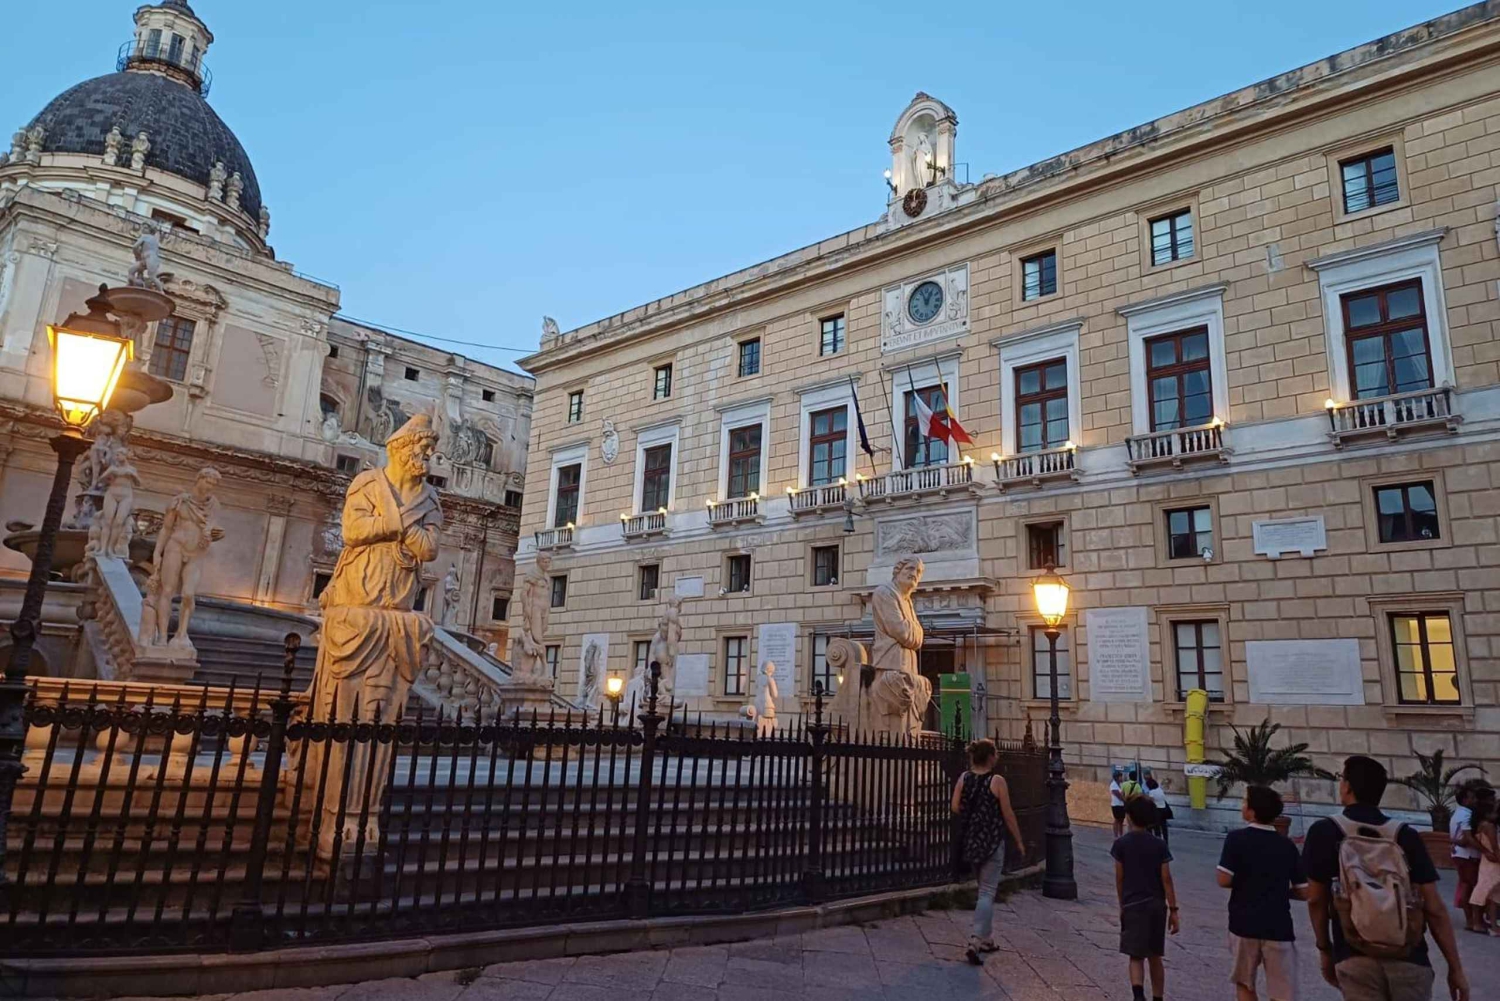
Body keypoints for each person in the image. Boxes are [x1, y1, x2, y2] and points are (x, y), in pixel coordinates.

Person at [1302, 755, 1469, 1001]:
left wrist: (1325, 949)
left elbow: (1316, 899)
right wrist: (1455, 969)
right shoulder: (1405, 835)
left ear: (1347, 787)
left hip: (1355, 955)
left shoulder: (1324, 831)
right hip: (1409, 957)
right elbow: (1434, 908)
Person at [1217, 785, 1309, 1001]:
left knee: (1245, 983)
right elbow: (1304, 891)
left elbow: (1223, 879)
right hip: (1278, 925)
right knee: (1282, 990)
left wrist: (1248, 882)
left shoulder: (1236, 839)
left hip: (1243, 923)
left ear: (1252, 810)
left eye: (1244, 802)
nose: (1242, 806)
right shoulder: (1286, 845)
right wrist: (1280, 891)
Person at [951, 738, 1026, 965]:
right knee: (987, 892)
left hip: (971, 842)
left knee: (984, 890)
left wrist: (972, 815)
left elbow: (954, 806)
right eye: (996, 754)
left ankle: (987, 939)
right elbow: (1008, 813)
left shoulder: (964, 778)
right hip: (991, 841)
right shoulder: (997, 781)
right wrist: (1019, 841)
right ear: (990, 757)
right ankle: (975, 940)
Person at [1112, 796, 1179, 1001]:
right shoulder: (1159, 845)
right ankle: (1158, 997)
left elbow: (1120, 878)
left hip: (1133, 904)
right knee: (1155, 955)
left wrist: (1122, 904)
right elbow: (1166, 879)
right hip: (1156, 905)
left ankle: (1138, 995)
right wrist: (1173, 910)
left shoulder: (1121, 844)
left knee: (1136, 955)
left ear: (1129, 817)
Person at [1450, 781, 1487, 934]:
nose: (1475, 800)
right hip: (1467, 855)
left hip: (1460, 854)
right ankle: (1473, 921)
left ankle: (1471, 920)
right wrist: (1486, 851)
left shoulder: (1457, 813)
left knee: (1466, 885)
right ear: (1465, 800)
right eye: (1472, 797)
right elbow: (1467, 838)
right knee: (1471, 886)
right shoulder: (1466, 814)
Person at [1468, 791, 1500, 936]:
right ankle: (1481, 923)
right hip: (1494, 863)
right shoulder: (1489, 826)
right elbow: (1495, 848)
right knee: (1487, 891)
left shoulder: (1480, 825)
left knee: (1491, 893)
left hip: (1488, 861)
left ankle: (1488, 924)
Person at [1146, 774, 1173, 848]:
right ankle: (1166, 842)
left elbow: (1151, 801)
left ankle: (1158, 842)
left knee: (1156, 827)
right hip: (1164, 809)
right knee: (1164, 826)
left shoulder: (1152, 792)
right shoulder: (1160, 790)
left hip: (1157, 810)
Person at [1111, 768, 1126, 838]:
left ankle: (1121, 834)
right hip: (1116, 805)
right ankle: (1116, 835)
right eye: (1120, 776)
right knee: (1117, 819)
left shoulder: (1121, 784)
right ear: (1117, 777)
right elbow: (1118, 795)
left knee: (1121, 820)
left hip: (1121, 805)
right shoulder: (1113, 785)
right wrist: (1126, 800)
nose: (1121, 778)